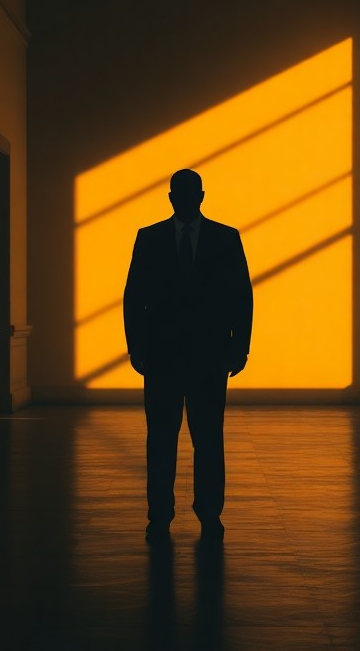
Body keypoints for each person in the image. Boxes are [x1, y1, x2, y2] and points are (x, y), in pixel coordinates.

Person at [123, 169, 253, 543]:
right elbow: (134, 297)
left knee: (188, 438)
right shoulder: (221, 238)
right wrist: (237, 346)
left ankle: (181, 515)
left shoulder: (156, 238)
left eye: (186, 193)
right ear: (199, 196)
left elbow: (241, 295)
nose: (184, 199)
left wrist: (239, 346)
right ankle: (189, 515)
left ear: (194, 196)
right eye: (181, 193)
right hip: (189, 356)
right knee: (190, 438)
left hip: (186, 357)